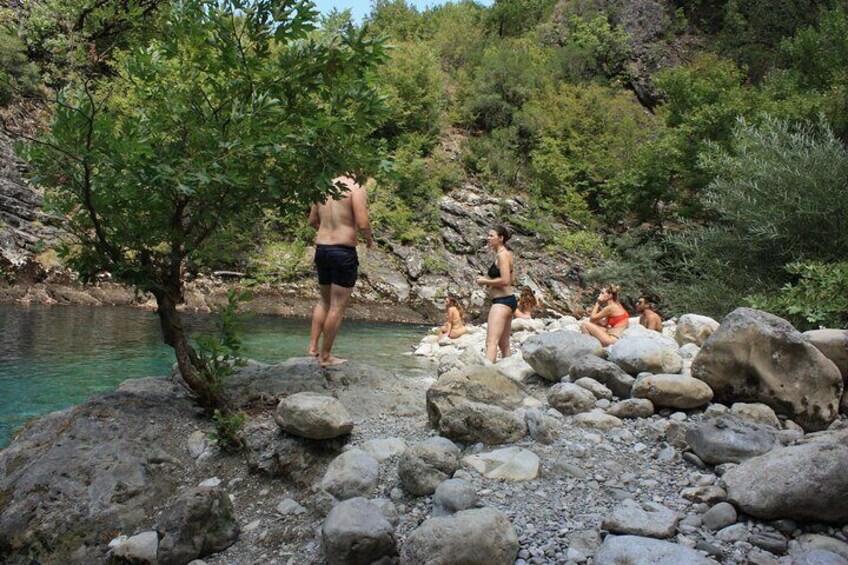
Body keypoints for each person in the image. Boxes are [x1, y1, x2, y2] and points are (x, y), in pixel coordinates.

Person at [307, 174, 373, 367]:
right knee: (337, 306)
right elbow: (362, 222)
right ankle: (326, 357)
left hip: (322, 249)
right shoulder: (354, 187)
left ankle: (313, 348)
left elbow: (312, 220)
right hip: (343, 251)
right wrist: (368, 239)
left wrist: (328, 231)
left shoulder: (322, 185)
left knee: (325, 301)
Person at [477, 225, 516, 363]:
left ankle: (486, 377)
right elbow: (512, 279)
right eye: (488, 235)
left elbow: (505, 281)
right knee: (503, 344)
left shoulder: (503, 255)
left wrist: (485, 281)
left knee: (491, 343)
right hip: (508, 300)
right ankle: (511, 372)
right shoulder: (506, 254)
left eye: (491, 236)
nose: (488, 238)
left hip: (502, 302)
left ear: (501, 238)